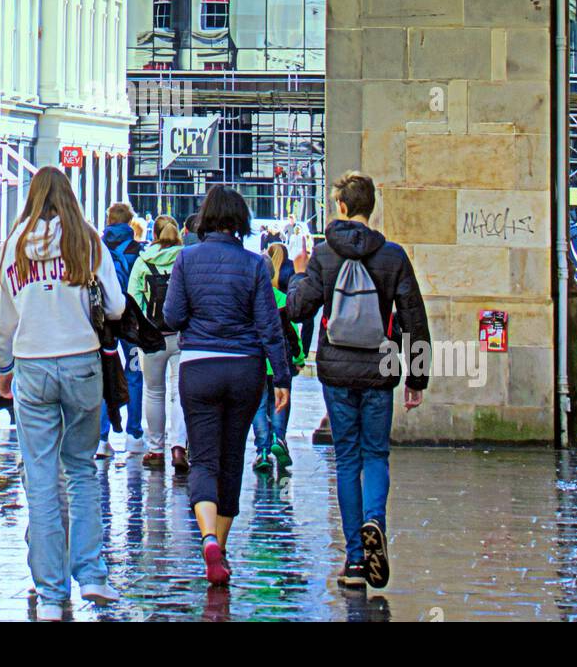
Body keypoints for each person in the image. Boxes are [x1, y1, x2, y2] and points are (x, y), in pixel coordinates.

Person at [0, 166, 125, 620]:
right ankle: (92, 574)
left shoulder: (14, 243)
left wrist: (3, 367)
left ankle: (50, 594)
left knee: (41, 475)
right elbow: (118, 304)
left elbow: (1, 319)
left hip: (32, 363)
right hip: (82, 359)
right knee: (82, 469)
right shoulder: (85, 239)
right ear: (69, 196)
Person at [286, 171, 431, 592]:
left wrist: (298, 276)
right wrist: (416, 377)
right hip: (381, 368)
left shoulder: (323, 255)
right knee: (376, 456)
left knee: (346, 460)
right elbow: (412, 319)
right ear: (371, 207)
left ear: (343, 208)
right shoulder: (393, 256)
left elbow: (298, 310)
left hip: (336, 368)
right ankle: (375, 523)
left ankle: (354, 561)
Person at [162, 185, 290, 586]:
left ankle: (207, 541)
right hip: (244, 370)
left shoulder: (186, 259)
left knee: (203, 458)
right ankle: (221, 544)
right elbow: (270, 326)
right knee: (232, 458)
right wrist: (282, 377)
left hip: (198, 365)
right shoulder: (254, 265)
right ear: (241, 221)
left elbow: (172, 315)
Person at [129, 214, 188, 473]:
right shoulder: (186, 260)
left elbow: (133, 300)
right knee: (179, 393)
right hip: (181, 335)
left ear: (155, 236)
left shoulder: (143, 262)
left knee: (154, 392)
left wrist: (140, 331)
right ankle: (178, 447)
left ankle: (154, 448)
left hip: (152, 338)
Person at [97, 201, 144, 459]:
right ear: (129, 223)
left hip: (104, 321)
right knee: (134, 374)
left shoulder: (98, 249)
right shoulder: (138, 250)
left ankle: (103, 438)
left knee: (106, 376)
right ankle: (133, 433)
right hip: (131, 320)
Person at [252, 243, 303, 474]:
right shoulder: (282, 298)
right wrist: (299, 356)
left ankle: (262, 450)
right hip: (280, 362)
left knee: (259, 406)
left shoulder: (247, 300)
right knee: (280, 402)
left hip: (256, 363)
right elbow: (292, 331)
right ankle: (279, 439)